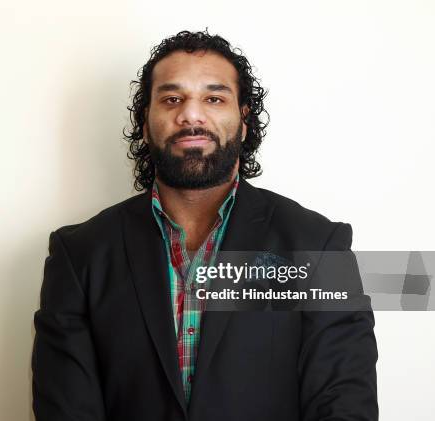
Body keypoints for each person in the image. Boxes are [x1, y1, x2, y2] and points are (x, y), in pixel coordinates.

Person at [31, 29, 378, 421]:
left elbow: (344, 405)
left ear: (244, 121)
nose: (191, 115)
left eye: (214, 98)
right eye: (172, 99)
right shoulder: (79, 255)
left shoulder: (318, 246)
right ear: (145, 124)